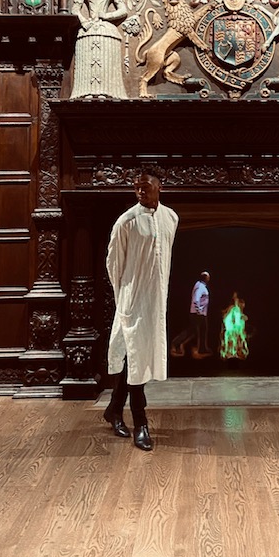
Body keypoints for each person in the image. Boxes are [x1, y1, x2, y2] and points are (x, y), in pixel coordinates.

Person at [104, 173, 179, 451]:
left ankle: (114, 408)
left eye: (145, 188)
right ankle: (141, 423)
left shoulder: (171, 218)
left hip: (155, 301)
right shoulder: (126, 221)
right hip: (133, 299)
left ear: (160, 188)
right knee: (134, 356)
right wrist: (125, 296)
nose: (140, 193)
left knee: (138, 357)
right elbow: (114, 262)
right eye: (136, 188)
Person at [171, 271, 212, 359]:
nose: (208, 279)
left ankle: (202, 348)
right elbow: (196, 299)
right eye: (207, 277)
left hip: (201, 313)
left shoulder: (201, 286)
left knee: (203, 330)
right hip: (197, 314)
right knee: (192, 331)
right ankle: (176, 343)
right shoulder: (200, 286)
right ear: (205, 278)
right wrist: (198, 310)